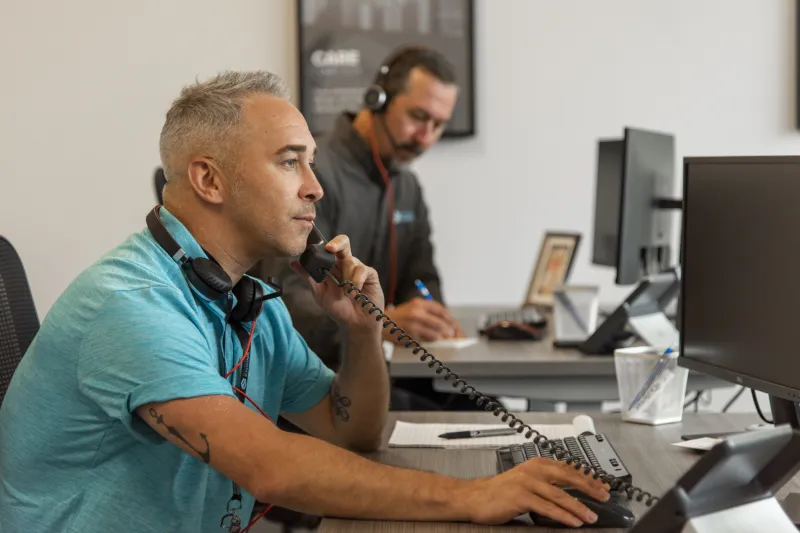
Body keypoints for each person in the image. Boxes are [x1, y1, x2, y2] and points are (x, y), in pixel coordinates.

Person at [0, 71, 609, 532]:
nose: (315, 187)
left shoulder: (248, 303)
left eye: (311, 162)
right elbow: (272, 468)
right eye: (290, 161)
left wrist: (363, 327)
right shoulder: (131, 307)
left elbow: (353, 433)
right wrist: (476, 496)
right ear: (209, 180)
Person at [259, 45, 475, 410]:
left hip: (387, 368)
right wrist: (380, 323)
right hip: (318, 375)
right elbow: (290, 299)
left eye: (438, 125)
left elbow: (422, 277)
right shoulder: (313, 175)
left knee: (486, 410)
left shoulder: (406, 186)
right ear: (378, 98)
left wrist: (428, 312)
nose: (425, 136)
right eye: (418, 116)